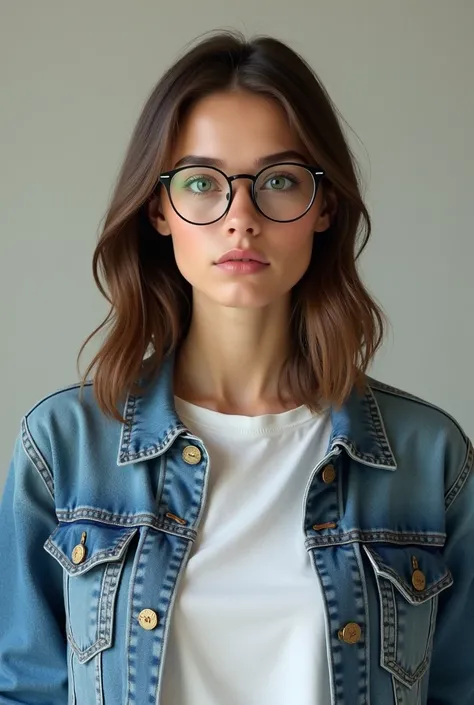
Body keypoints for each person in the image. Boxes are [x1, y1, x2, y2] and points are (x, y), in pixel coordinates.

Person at [0, 29, 472, 705]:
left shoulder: (428, 458)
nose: (240, 218)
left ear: (324, 206)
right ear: (160, 208)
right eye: (202, 182)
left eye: (279, 181)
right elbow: (22, 689)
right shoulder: (63, 448)